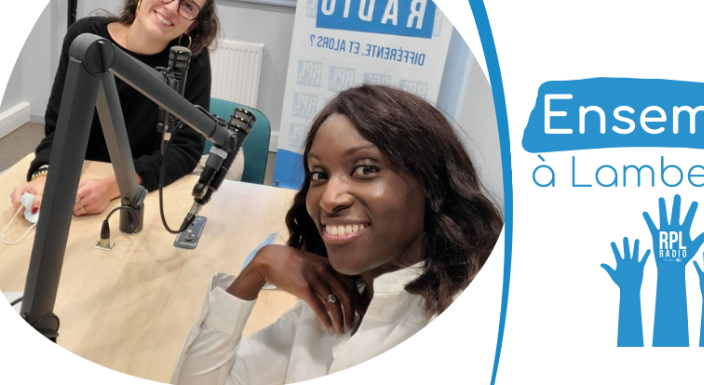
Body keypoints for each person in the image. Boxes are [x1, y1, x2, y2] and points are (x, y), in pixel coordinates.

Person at [171, 84, 503, 385]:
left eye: (366, 169)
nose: (329, 198)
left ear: (433, 188)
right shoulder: (333, 302)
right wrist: (255, 271)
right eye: (319, 174)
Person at [9, 0, 220, 217]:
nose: (172, 8)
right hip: (79, 177)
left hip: (142, 187)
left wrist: (114, 187)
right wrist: (45, 176)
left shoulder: (192, 62)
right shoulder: (86, 38)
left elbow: (185, 150)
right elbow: (60, 126)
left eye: (188, 6)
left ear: (193, 24)